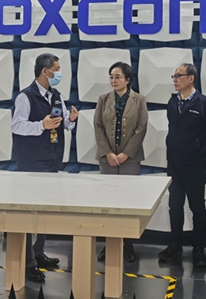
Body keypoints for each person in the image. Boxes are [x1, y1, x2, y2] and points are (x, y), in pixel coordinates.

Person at [11, 53, 79, 283]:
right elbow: (17, 126)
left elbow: (63, 123)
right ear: (45, 71)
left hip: (52, 160)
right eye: (56, 69)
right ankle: (28, 262)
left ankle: (38, 253)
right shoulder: (25, 97)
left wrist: (71, 120)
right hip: (31, 162)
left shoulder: (56, 96)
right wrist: (41, 124)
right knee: (29, 214)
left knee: (43, 211)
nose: (59, 73)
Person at [158, 63, 206, 268]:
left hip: (195, 166)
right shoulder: (172, 102)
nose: (175, 79)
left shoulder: (204, 103)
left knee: (197, 207)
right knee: (175, 206)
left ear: (191, 78)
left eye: (179, 75)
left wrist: (201, 154)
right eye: (174, 76)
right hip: (174, 164)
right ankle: (175, 244)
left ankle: (199, 248)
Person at [93, 61, 148, 263]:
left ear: (128, 79)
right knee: (109, 202)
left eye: (117, 77)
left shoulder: (139, 100)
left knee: (128, 202)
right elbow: (98, 126)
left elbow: (142, 128)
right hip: (107, 159)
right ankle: (110, 243)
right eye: (111, 77)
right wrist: (107, 152)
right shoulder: (103, 99)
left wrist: (126, 153)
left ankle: (128, 243)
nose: (113, 80)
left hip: (130, 159)